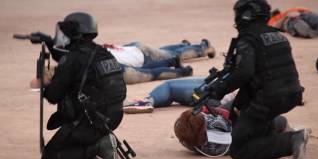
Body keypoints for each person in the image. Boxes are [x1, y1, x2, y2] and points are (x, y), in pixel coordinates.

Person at [202, 0, 308, 159]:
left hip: (269, 99)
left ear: (245, 15)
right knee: (246, 119)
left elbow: (243, 73)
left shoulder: (248, 39)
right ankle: (275, 132)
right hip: (292, 94)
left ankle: (291, 140)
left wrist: (218, 91)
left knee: (239, 149)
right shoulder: (278, 36)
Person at [35, 12, 127, 159]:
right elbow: (72, 61)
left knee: (50, 156)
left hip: (91, 122)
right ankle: (99, 140)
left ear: (73, 33)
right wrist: (49, 42)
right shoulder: (101, 52)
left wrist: (42, 82)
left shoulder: (73, 59)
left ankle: (98, 147)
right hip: (113, 116)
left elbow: (53, 95)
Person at [30, 33, 215, 84]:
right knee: (165, 52)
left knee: (169, 56)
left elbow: (152, 74)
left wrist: (183, 72)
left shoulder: (97, 66)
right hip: (132, 48)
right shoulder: (84, 55)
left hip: (138, 55)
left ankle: (202, 48)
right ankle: (186, 45)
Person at [123, 77, 236, 113]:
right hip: (226, 93)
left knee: (169, 86)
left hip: (222, 94)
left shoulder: (247, 43)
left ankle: (146, 102)